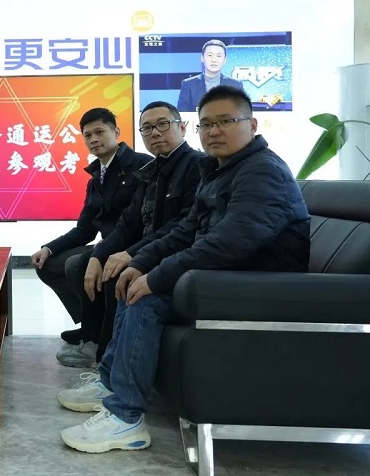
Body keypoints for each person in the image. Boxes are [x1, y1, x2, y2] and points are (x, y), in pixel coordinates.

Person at [57, 85, 310, 454]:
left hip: (257, 287)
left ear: (252, 124)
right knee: (131, 284)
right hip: (224, 277)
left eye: (226, 121)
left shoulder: (262, 172)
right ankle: (112, 383)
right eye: (207, 124)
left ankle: (125, 419)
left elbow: (228, 243)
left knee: (145, 298)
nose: (214, 131)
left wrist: (157, 275)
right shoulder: (220, 170)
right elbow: (187, 229)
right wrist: (140, 263)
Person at [57, 101, 202, 368]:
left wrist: (131, 254)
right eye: (147, 128)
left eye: (162, 125)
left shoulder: (198, 166)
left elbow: (182, 226)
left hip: (177, 253)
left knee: (116, 274)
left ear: (183, 127)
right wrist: (99, 255)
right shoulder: (153, 170)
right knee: (90, 264)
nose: (154, 132)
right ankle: (97, 346)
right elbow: (128, 223)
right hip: (149, 248)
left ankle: (105, 362)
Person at [31, 108, 151, 349]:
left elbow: (137, 222)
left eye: (100, 132)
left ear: (116, 132)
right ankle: (90, 323)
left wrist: (101, 252)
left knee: (78, 264)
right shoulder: (96, 177)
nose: (94, 139)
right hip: (105, 246)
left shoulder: (141, 165)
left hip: (131, 246)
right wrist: (48, 248)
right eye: (88, 135)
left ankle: (95, 337)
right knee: (48, 264)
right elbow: (84, 230)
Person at [177, 40, 245, 112]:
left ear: (225, 60)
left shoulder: (235, 85)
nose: (214, 60)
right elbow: (183, 114)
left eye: (218, 56)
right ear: (202, 58)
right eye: (210, 55)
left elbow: (243, 112)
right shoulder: (189, 85)